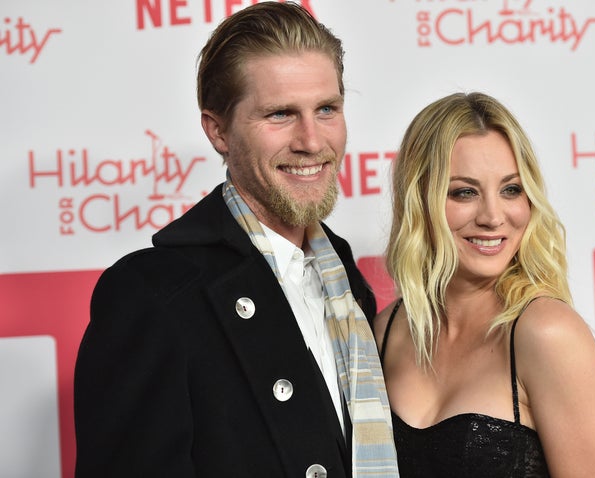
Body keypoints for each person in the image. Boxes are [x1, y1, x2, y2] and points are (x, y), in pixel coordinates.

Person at [74, 3, 398, 477]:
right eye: (280, 114)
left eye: (326, 109)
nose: (312, 140)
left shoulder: (342, 273)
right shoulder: (153, 294)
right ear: (218, 130)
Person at [372, 92, 595, 477]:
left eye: (511, 189)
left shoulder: (547, 334)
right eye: (464, 192)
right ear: (420, 199)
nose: (493, 216)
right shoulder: (386, 330)